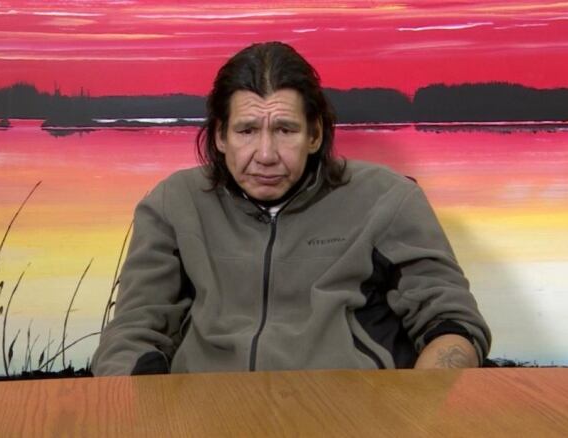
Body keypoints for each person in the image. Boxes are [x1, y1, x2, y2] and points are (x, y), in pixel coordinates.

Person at [92, 42, 490, 375]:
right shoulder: (173, 203)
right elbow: (132, 333)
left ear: (314, 134)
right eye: (247, 131)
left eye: (285, 130)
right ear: (220, 136)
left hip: (353, 416)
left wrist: (419, 414)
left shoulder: (388, 198)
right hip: (205, 414)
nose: (265, 155)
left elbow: (453, 325)